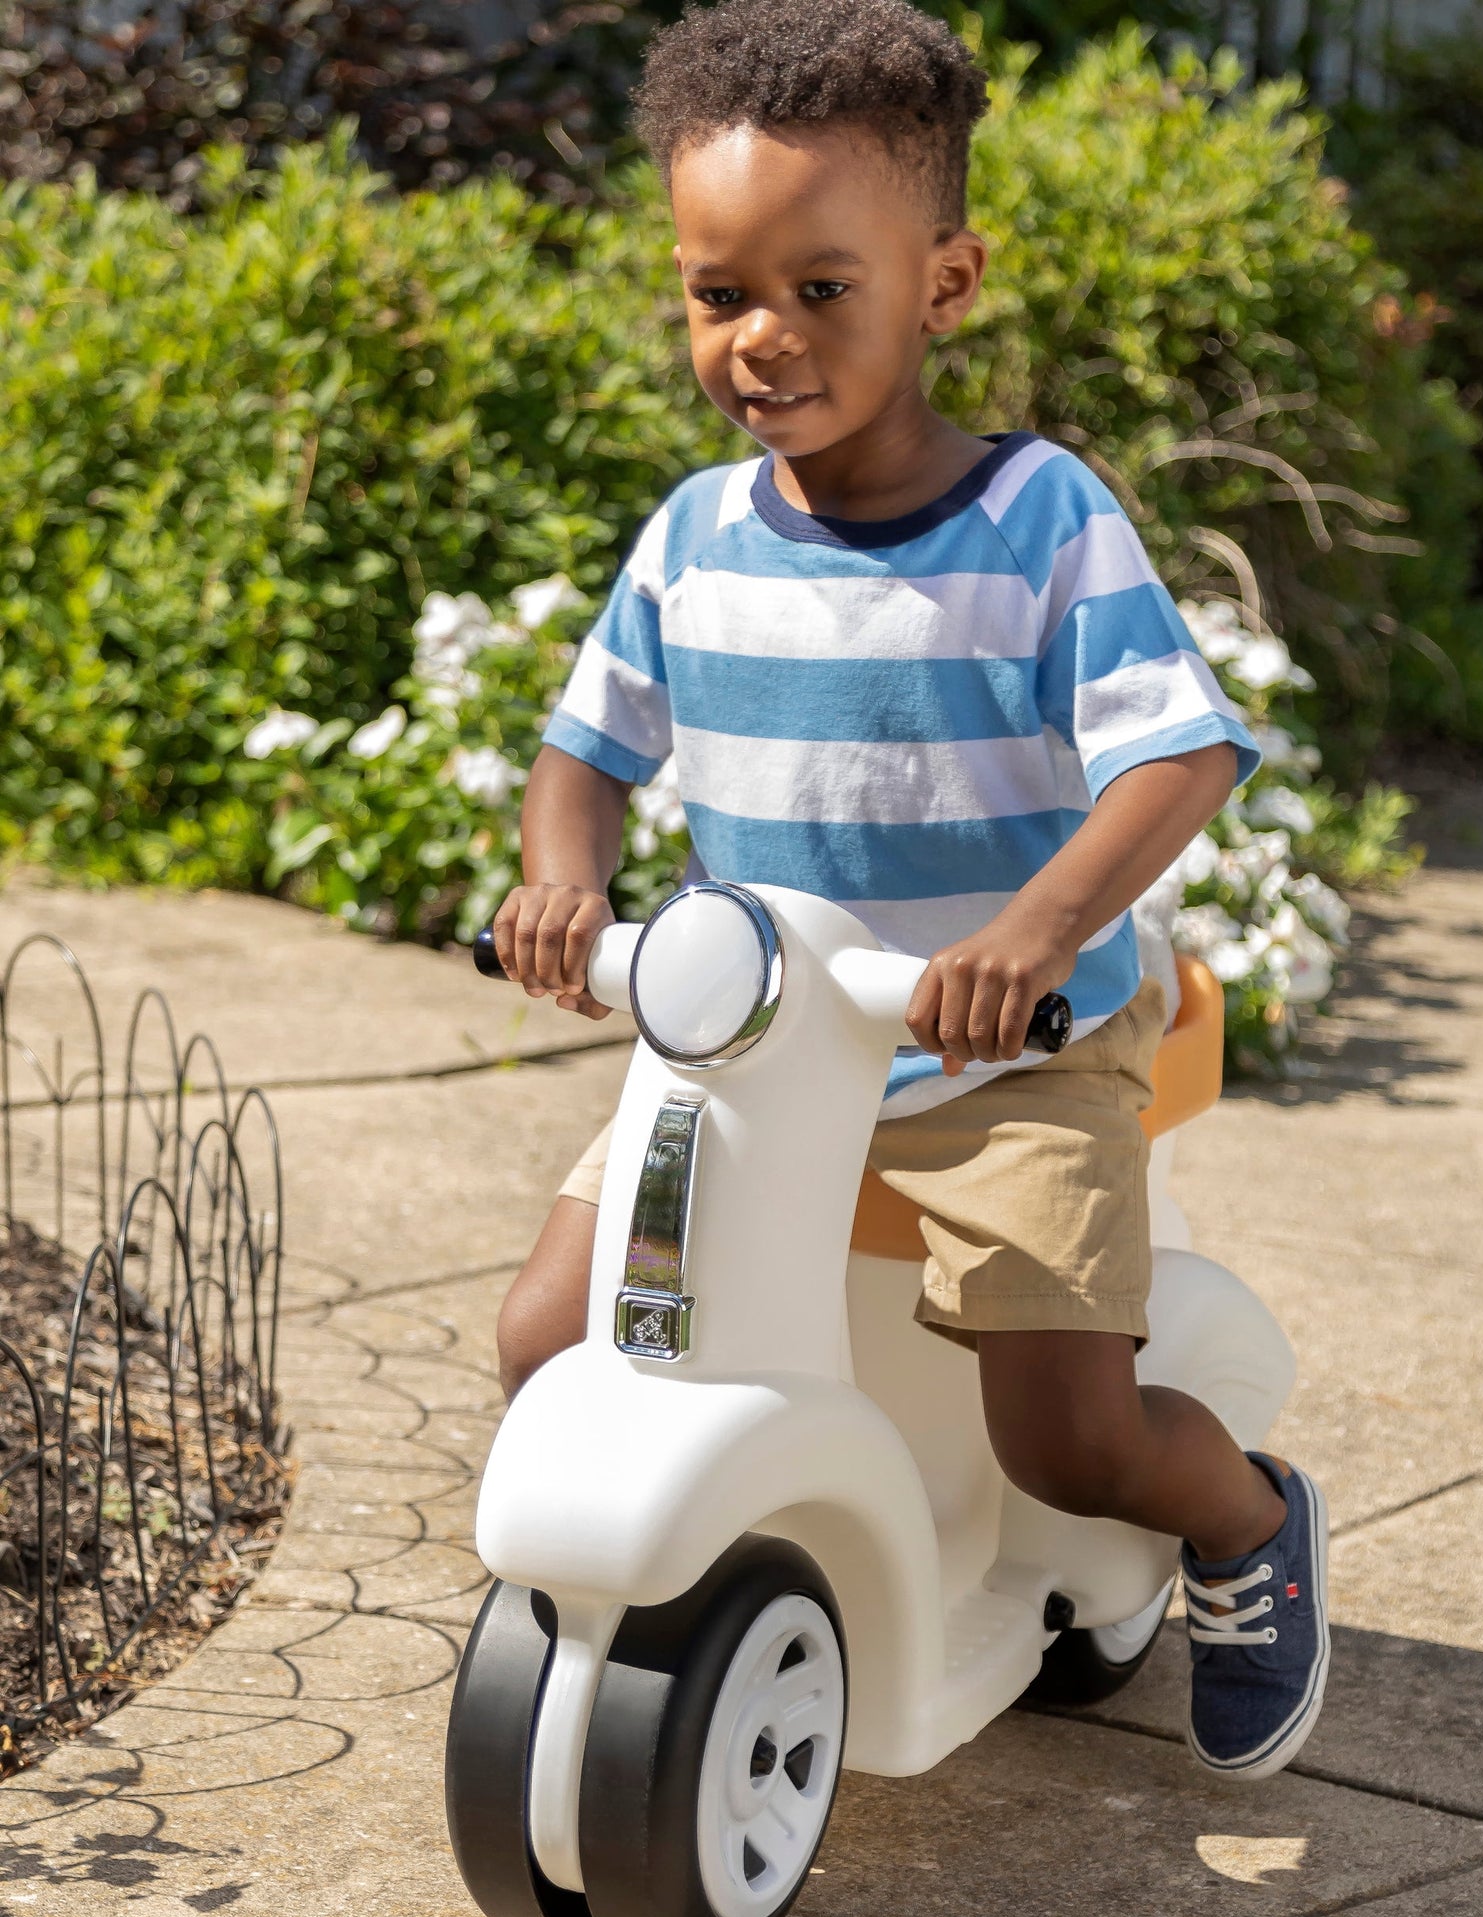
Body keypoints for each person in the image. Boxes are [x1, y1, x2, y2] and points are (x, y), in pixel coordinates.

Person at [488, 0, 1328, 1782]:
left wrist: (1036, 931)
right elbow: (586, 752)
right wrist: (564, 886)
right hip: (760, 1057)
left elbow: (1175, 753)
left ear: (943, 284)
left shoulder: (1038, 522)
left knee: (1069, 1442)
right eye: (721, 294)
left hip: (997, 1060)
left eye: (821, 288)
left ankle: (1244, 1525)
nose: (762, 340)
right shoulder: (694, 539)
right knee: (551, 1335)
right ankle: (680, 1567)